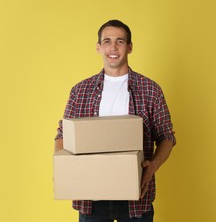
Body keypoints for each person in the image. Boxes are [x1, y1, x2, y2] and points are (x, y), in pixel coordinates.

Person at [54, 19, 176, 222]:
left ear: (129, 47)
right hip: (91, 200)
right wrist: (63, 169)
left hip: (136, 198)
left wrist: (152, 166)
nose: (113, 47)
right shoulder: (80, 90)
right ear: (98, 47)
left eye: (120, 41)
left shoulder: (150, 90)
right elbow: (62, 136)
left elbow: (166, 137)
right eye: (107, 41)